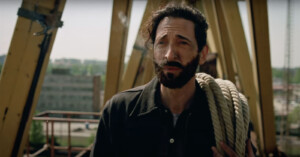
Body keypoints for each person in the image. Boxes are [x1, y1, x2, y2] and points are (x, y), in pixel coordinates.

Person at [90, 3, 255, 157]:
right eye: (162, 43)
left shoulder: (231, 117)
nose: (169, 55)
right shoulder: (119, 112)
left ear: (203, 54)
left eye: (182, 43)